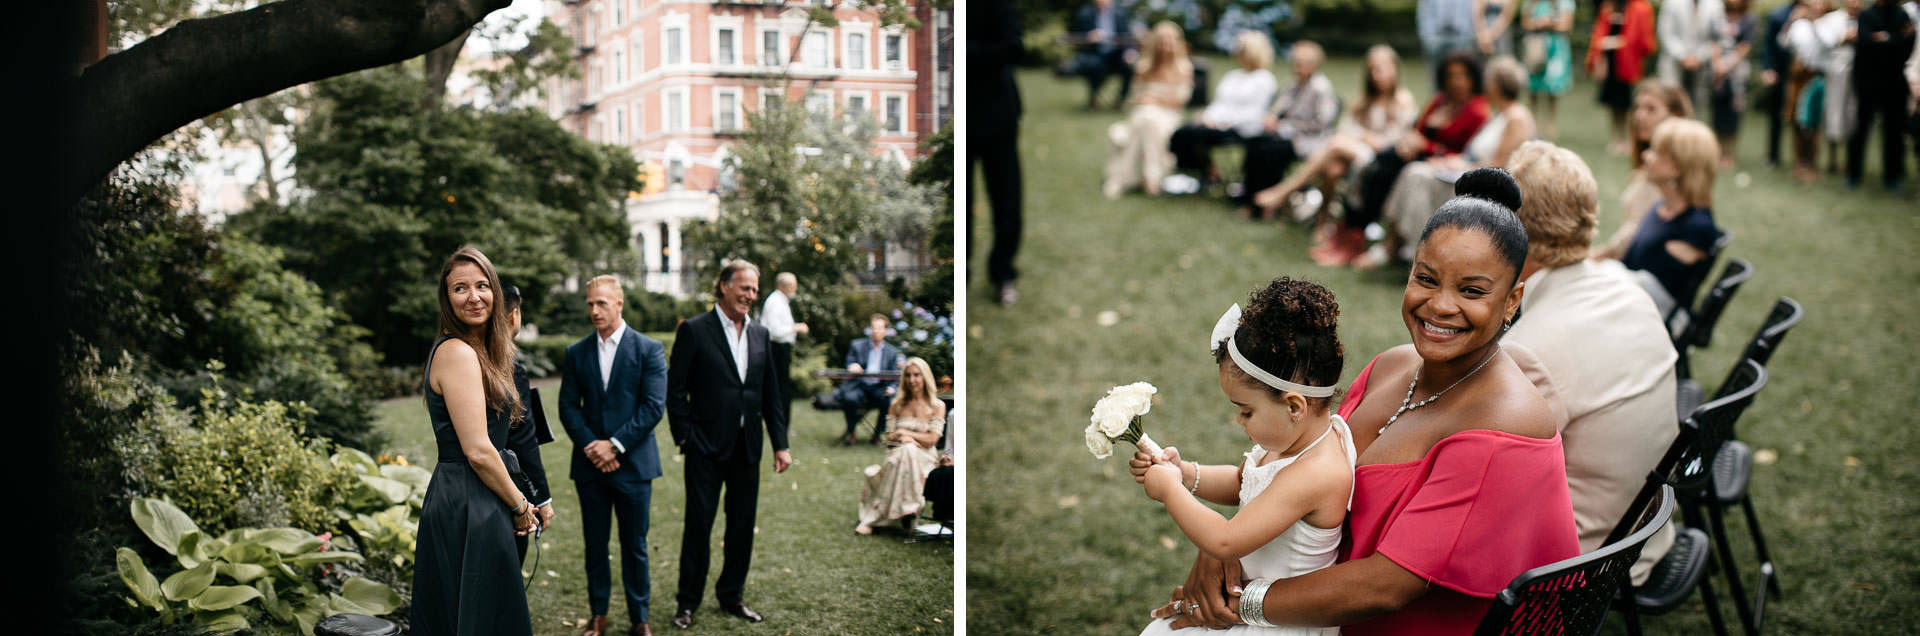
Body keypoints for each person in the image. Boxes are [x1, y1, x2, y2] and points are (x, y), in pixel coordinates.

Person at [1146, 169, 1578, 634]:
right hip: (1319, 601)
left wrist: (1236, 603)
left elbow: (1386, 588)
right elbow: (1294, 468)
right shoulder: (1392, 366)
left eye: (1472, 290)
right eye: (1426, 279)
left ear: (1512, 301)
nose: (1440, 305)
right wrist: (1217, 554)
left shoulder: (1505, 427)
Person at [1131, 277, 1356, 636]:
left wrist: (1170, 491)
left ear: (1295, 406)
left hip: (1275, 623)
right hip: (1243, 605)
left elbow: (1225, 541)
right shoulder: (1291, 440)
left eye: (1246, 411)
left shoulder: (1318, 472)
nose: (1239, 420)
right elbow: (1242, 482)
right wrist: (1187, 472)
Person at [1504, 140, 1680, 586]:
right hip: (1646, 527)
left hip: (1584, 562)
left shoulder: (1529, 349)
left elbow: (1488, 480)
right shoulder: (1630, 292)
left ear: (1513, 224)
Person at [412, 246, 535, 636]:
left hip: (476, 495)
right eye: (460, 288)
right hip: (469, 500)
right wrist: (519, 505)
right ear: (447, 298)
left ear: (495, 291)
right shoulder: (458, 353)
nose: (474, 296)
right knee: (476, 617)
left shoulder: (482, 350)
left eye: (482, 285)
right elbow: (479, 451)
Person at [666, 260, 793, 630]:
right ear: (723, 286)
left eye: (754, 290)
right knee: (699, 526)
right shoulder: (694, 330)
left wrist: (780, 444)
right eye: (744, 288)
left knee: (741, 525)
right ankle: (687, 602)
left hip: (747, 446)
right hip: (704, 446)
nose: (750, 296)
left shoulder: (760, 334)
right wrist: (686, 437)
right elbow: (676, 391)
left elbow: (770, 395)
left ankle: (732, 595)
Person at [558, 275, 669, 636]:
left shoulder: (648, 349)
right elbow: (568, 407)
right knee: (595, 544)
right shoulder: (577, 352)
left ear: (619, 304)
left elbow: (653, 407)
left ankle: (640, 619)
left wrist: (615, 445)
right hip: (591, 467)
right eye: (590, 303)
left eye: (601, 303)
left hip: (634, 465)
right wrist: (595, 447)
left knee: (635, 545)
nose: (594, 310)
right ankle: (598, 615)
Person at [1367, 56, 1538, 271]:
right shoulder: (1499, 114)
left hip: (1486, 188)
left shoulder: (1516, 117)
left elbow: (1502, 166)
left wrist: (1462, 167)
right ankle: (1405, 244)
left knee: (1417, 176)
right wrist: (1453, 161)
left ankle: (1415, 250)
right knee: (1416, 172)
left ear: (1495, 84)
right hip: (1468, 171)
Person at [1324, 52, 1490, 266]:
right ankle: (1354, 229)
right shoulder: (1440, 100)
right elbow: (1418, 129)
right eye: (1450, 76)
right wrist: (1411, 140)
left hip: (1440, 164)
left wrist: (1426, 146)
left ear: (1473, 78)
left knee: (1384, 171)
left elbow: (1465, 153)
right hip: (1415, 154)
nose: (1455, 81)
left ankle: (1360, 232)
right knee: (1380, 165)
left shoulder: (1476, 110)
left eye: (1461, 76)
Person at [1250, 45, 1417, 233]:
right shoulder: (1364, 100)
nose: (1376, 74)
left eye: (1381, 69)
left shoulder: (1402, 101)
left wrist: (1361, 135)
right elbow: (1345, 128)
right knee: (1332, 169)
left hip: (1380, 160)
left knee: (1336, 144)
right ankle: (1323, 222)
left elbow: (1389, 143)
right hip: (1352, 153)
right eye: (1372, 69)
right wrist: (1361, 136)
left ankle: (1285, 192)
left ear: (1395, 69)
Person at [1608, 118, 1723, 317]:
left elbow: (1657, 295)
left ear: (1676, 168)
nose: (1646, 156)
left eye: (1655, 152)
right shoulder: (1660, 208)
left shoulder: (1695, 228)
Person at [1236, 40, 1342, 219]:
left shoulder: (1321, 88)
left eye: (1303, 62)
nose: (1298, 66)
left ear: (1314, 64)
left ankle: (1267, 205)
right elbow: (1278, 108)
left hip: (1308, 141)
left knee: (1271, 151)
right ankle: (1249, 196)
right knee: (1254, 142)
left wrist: (1287, 126)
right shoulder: (1292, 84)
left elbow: (1321, 123)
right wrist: (1271, 118)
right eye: (1296, 61)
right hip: (1284, 134)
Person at [1595, 81, 1695, 262]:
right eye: (1637, 108)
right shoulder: (1647, 166)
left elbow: (1637, 234)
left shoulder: (1669, 173)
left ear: (1675, 115)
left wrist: (1595, 257)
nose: (1639, 116)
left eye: (1651, 109)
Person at [970, 0, 1026, 306]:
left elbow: (1015, 47)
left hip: (997, 112)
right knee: (960, 204)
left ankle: (1003, 273)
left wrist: (969, 53)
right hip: (963, 115)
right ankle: (959, 276)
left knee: (1006, 200)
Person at [854, 357, 950, 535]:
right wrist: (901, 437)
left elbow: (932, 439)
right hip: (897, 454)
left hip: (925, 457)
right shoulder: (896, 404)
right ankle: (908, 509)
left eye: (916, 375)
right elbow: (889, 438)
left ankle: (873, 519)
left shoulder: (937, 405)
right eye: (908, 375)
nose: (912, 380)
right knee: (906, 450)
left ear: (925, 377)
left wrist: (907, 434)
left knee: (909, 450)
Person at [1169, 31, 1278, 185]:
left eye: (1240, 50)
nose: (1236, 54)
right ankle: (1204, 171)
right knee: (1183, 133)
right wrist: (1208, 117)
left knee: (1194, 135)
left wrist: (1225, 122)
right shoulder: (1233, 76)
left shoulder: (1264, 79)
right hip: (1217, 125)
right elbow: (1219, 103)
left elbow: (1256, 111)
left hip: (1242, 128)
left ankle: (1207, 174)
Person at [1103, 22, 1194, 198]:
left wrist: (1154, 100)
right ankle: (1152, 180)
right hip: (1142, 113)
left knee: (1148, 123)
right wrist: (1146, 102)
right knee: (1146, 121)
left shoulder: (1184, 68)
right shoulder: (1144, 65)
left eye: (1170, 41)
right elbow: (1135, 96)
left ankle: (1119, 180)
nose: (1166, 46)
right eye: (1162, 41)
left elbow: (1180, 101)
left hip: (1168, 115)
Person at [501, 284, 555, 565]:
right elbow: (523, 440)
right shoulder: (510, 372)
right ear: (514, 315)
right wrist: (541, 499)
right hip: (508, 491)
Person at [1849, 0, 1916, 190]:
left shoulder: (1902, 16)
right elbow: (1865, 43)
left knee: (1894, 132)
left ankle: (1892, 176)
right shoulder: (1866, 15)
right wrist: (1895, 39)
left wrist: (1882, 39)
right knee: (1861, 129)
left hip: (1895, 85)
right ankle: (1854, 174)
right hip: (1868, 84)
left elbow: (1908, 45)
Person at [1589, 0, 1658, 155]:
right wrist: (1598, 55)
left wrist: (1620, 43)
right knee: (1613, 103)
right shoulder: (1608, 7)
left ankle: (1629, 140)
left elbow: (1643, 39)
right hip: (1611, 62)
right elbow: (1599, 33)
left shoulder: (1641, 8)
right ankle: (1616, 138)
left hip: (1629, 64)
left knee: (1630, 105)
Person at [834, 313, 905, 446]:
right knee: (849, 398)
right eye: (873, 328)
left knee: (888, 401)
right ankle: (851, 431)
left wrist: (892, 388)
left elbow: (896, 375)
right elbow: (849, 363)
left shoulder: (892, 352)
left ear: (885, 331)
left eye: (879, 328)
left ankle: (877, 434)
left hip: (878, 387)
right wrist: (852, 366)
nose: (876, 331)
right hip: (859, 385)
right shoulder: (857, 345)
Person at [1518, 0, 1575, 137]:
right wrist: (1539, 23)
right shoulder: (1531, 2)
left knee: (1554, 87)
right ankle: (1534, 123)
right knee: (1533, 86)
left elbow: (1565, 25)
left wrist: (1546, 23)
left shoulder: (1565, 3)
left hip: (1555, 48)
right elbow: (1525, 23)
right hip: (1535, 47)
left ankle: (1551, 123)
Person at [1711, 0, 1757, 167]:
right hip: (1717, 73)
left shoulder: (1749, 19)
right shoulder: (1718, 16)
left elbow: (1745, 46)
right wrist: (1717, 65)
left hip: (1737, 74)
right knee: (1718, 112)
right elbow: (1714, 41)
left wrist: (1727, 65)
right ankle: (1717, 151)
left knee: (1734, 112)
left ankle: (1730, 153)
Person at [1071, 0, 1140, 110]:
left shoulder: (1120, 13)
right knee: (1093, 66)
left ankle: (1120, 100)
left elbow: (1126, 36)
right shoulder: (1085, 13)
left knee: (1130, 68)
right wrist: (1088, 36)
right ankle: (1093, 98)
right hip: (1095, 53)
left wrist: (1130, 52)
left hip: (1117, 53)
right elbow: (1077, 37)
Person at [760, 272, 808, 405]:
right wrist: (796, 328)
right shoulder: (775, 302)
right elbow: (774, 331)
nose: (795, 289)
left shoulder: (781, 301)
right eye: (792, 285)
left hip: (781, 349)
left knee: (783, 387)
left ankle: (783, 424)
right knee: (780, 389)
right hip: (776, 349)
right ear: (782, 285)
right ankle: (781, 424)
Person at [1761, 0, 1799, 168]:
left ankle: (1800, 160)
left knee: (1801, 117)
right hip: (1781, 70)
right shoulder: (1779, 15)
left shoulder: (1818, 14)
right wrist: (1768, 68)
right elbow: (1769, 44)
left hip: (1804, 73)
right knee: (1776, 115)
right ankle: (1773, 156)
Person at [1419, 0, 1480, 93]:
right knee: (1436, 77)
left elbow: (1472, 10)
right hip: (1436, 38)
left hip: (1460, 37)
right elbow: (1423, 12)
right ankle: (1437, 102)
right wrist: (1426, 35)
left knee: (1461, 75)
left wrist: (1469, 33)